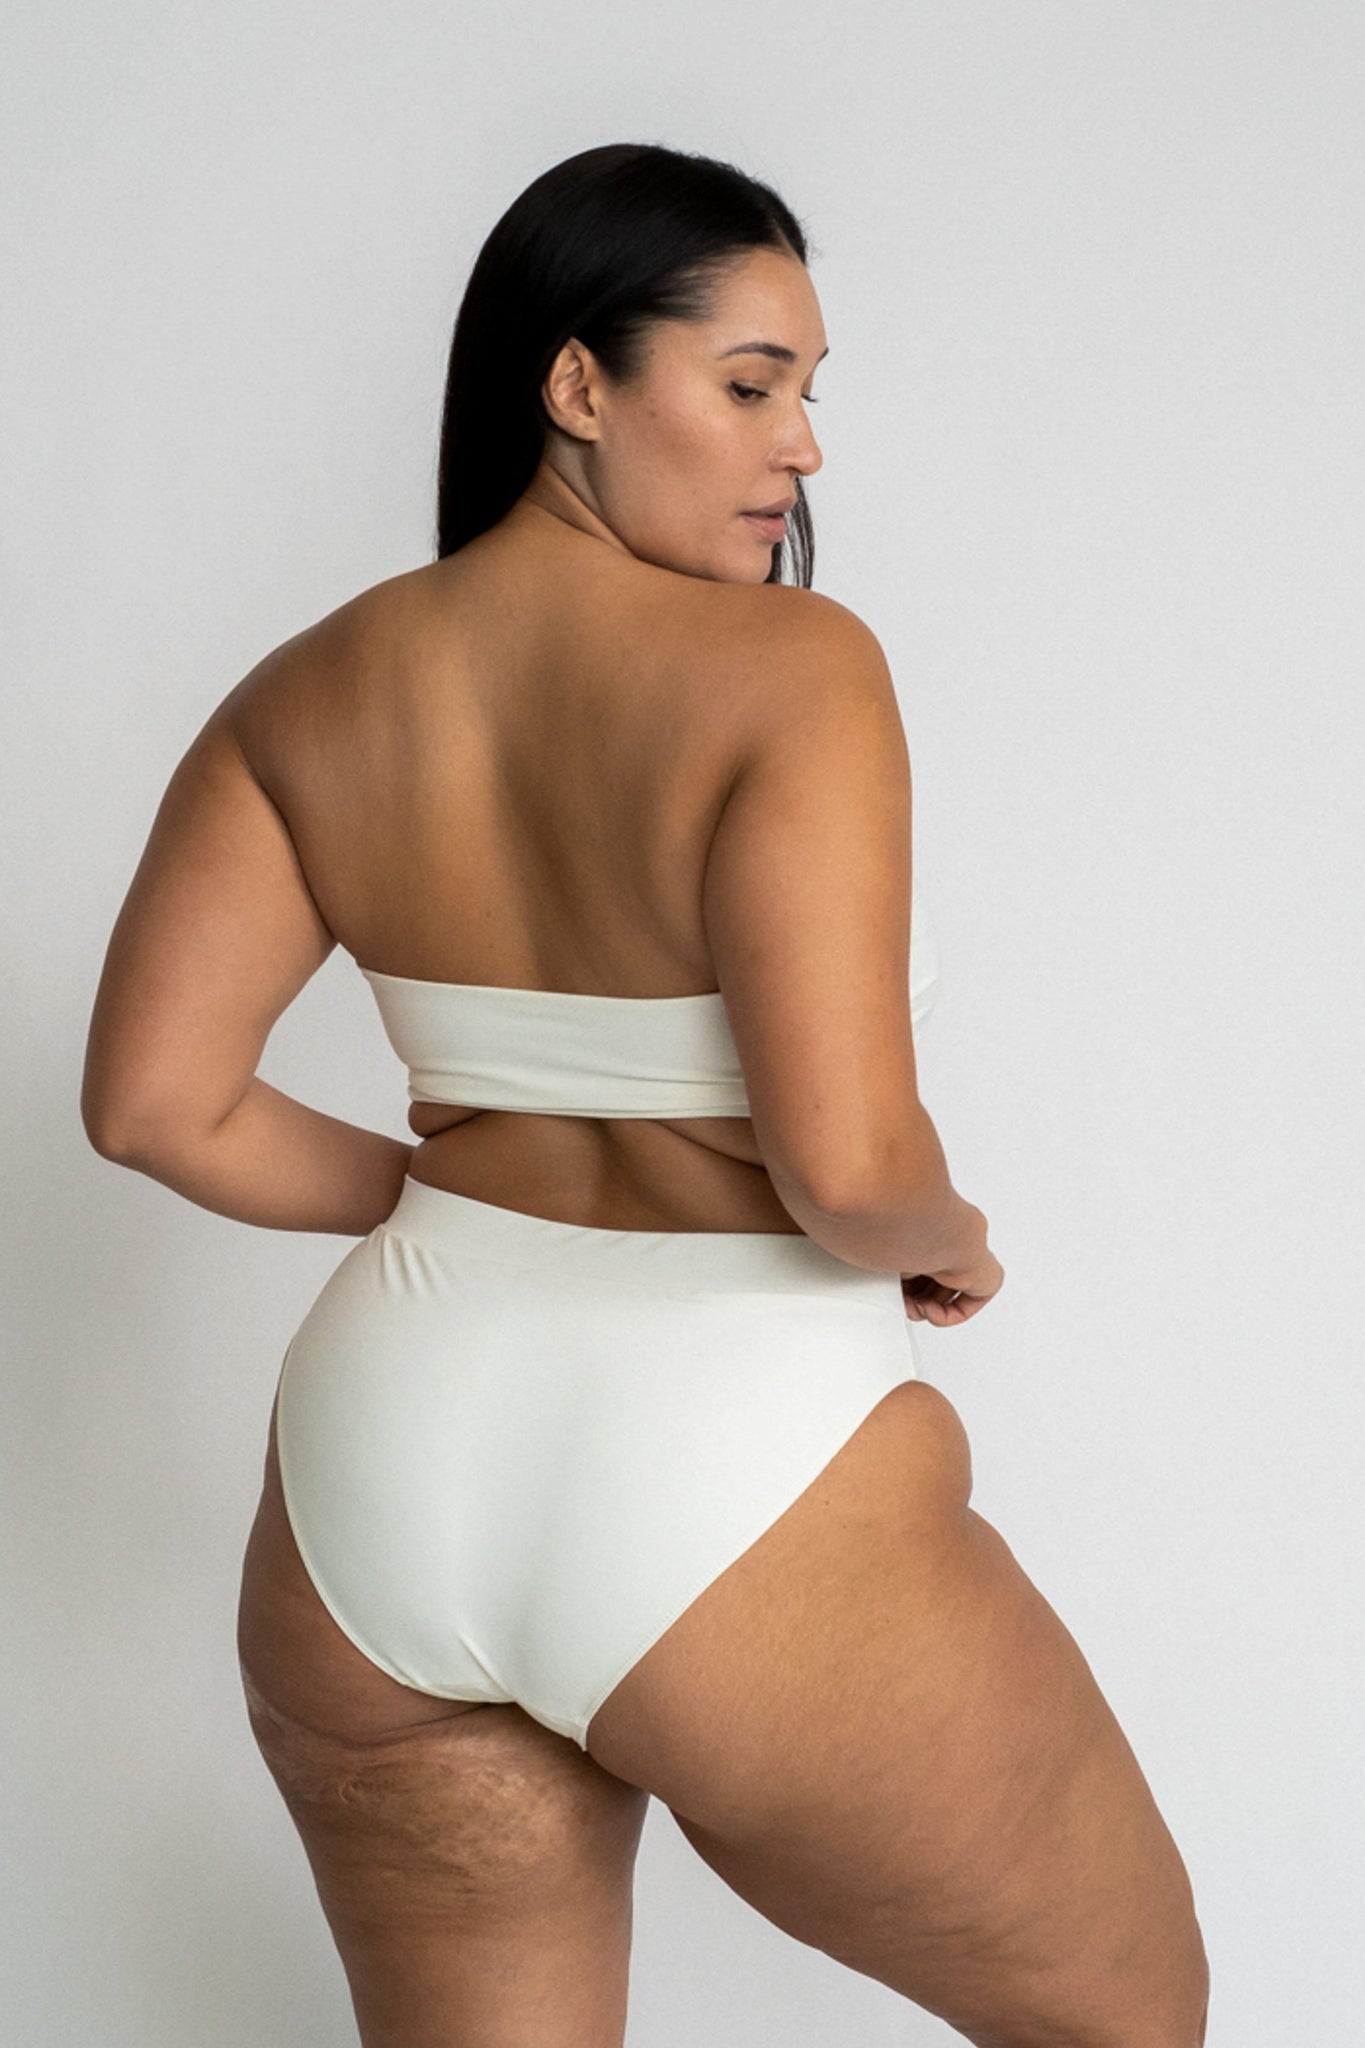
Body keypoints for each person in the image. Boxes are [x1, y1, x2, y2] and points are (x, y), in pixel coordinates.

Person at [81, 142, 1209, 2048]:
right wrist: (950, 1246)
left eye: (808, 396)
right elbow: (848, 1167)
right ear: (579, 383)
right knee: (1130, 2022)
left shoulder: (307, 693)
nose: (802, 449)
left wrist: (446, 1205)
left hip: (382, 1469)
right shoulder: (789, 669)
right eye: (751, 384)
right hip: (727, 1458)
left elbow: (156, 1109)